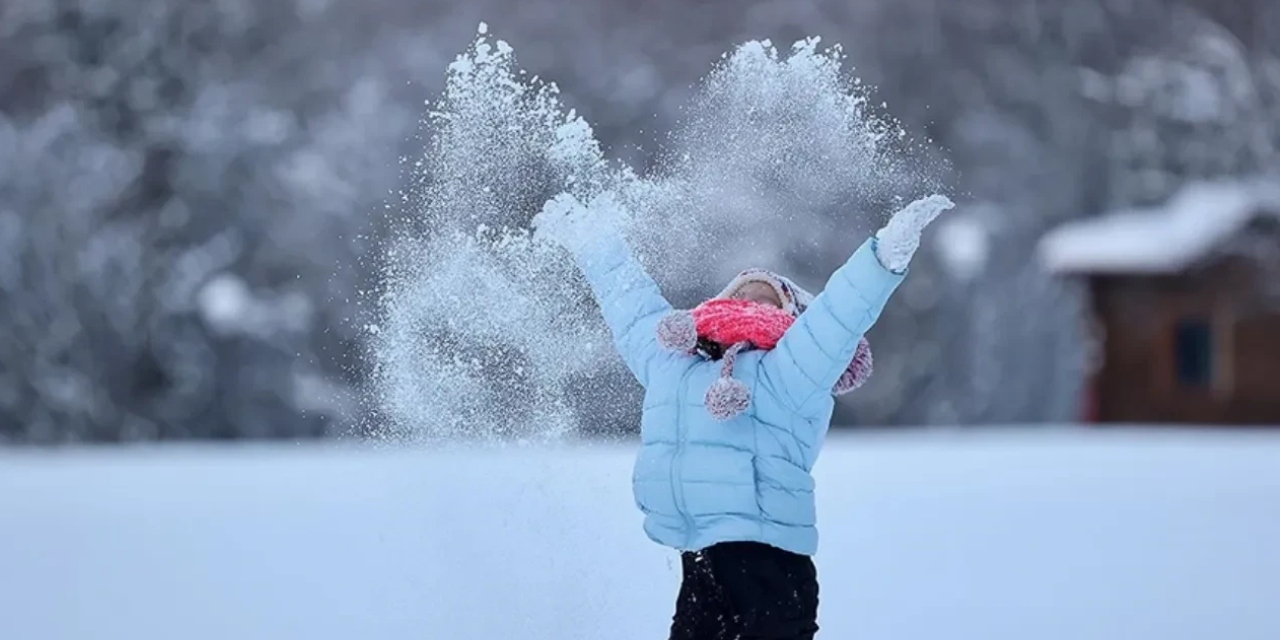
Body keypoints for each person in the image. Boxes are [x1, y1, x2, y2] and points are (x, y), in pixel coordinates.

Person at [533, 192, 954, 640]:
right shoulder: (674, 364)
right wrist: (594, 242)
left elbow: (837, 317)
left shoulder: (791, 369)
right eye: (741, 291)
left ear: (791, 318)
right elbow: (632, 309)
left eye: (770, 296)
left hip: (770, 567)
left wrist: (883, 256)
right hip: (699, 563)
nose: (753, 294)